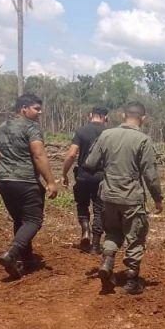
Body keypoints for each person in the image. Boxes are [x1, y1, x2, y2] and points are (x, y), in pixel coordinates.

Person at [83, 101, 163, 294]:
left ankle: (107, 262)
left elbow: (90, 162)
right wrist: (158, 198)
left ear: (122, 116)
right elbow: (150, 175)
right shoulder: (143, 140)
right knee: (135, 238)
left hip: (108, 196)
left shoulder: (106, 134)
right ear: (143, 119)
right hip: (131, 198)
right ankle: (131, 281)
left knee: (112, 233)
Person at [0, 94, 59, 279]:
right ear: (23, 108)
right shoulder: (32, 128)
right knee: (33, 221)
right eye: (36, 108)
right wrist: (50, 181)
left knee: (20, 220)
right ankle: (12, 253)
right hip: (25, 181)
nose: (40, 112)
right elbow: (38, 155)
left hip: (5, 182)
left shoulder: (1, 128)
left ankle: (27, 259)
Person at [61, 106, 109, 254]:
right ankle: (95, 245)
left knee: (82, 204)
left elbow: (71, 154)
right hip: (101, 177)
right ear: (105, 117)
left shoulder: (81, 131)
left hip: (83, 175)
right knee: (99, 209)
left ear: (90, 115)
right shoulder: (108, 133)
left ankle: (85, 230)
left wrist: (64, 174)